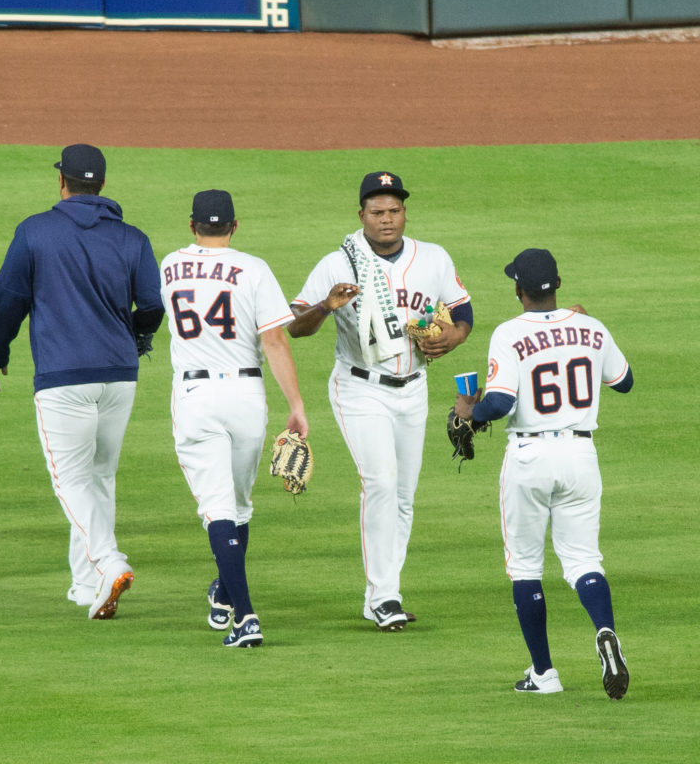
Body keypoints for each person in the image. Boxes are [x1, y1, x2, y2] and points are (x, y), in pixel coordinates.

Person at [287, 171, 473, 631]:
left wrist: (452, 338)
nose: (386, 220)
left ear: (404, 213)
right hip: (358, 387)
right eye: (377, 212)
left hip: (414, 387)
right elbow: (294, 326)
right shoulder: (337, 264)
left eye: (394, 211)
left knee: (404, 496)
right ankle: (384, 596)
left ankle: (384, 592)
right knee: (382, 484)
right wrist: (326, 307)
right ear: (361, 216)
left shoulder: (432, 257)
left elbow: (464, 313)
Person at [0, 144, 163, 620]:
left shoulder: (35, 231)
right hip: (120, 376)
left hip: (64, 378)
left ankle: (108, 562)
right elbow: (152, 305)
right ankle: (87, 585)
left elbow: (8, 298)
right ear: (102, 185)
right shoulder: (133, 238)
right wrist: (134, 337)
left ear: (61, 181)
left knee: (70, 481)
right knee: (100, 477)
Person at [454, 248, 632, 698]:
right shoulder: (590, 327)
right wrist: (588, 330)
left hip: (530, 457)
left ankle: (544, 674)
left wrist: (467, 413)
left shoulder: (510, 333)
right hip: (581, 456)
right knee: (584, 560)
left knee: (526, 568)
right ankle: (606, 631)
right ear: (558, 284)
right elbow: (624, 381)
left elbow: (500, 403)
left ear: (518, 290)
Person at [160, 190, 307, 648]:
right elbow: (275, 342)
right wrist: (297, 405)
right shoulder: (254, 269)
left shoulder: (168, 266)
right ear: (234, 226)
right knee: (239, 506)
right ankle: (226, 594)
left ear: (192, 226)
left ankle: (245, 617)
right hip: (246, 394)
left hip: (196, 394)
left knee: (219, 509)